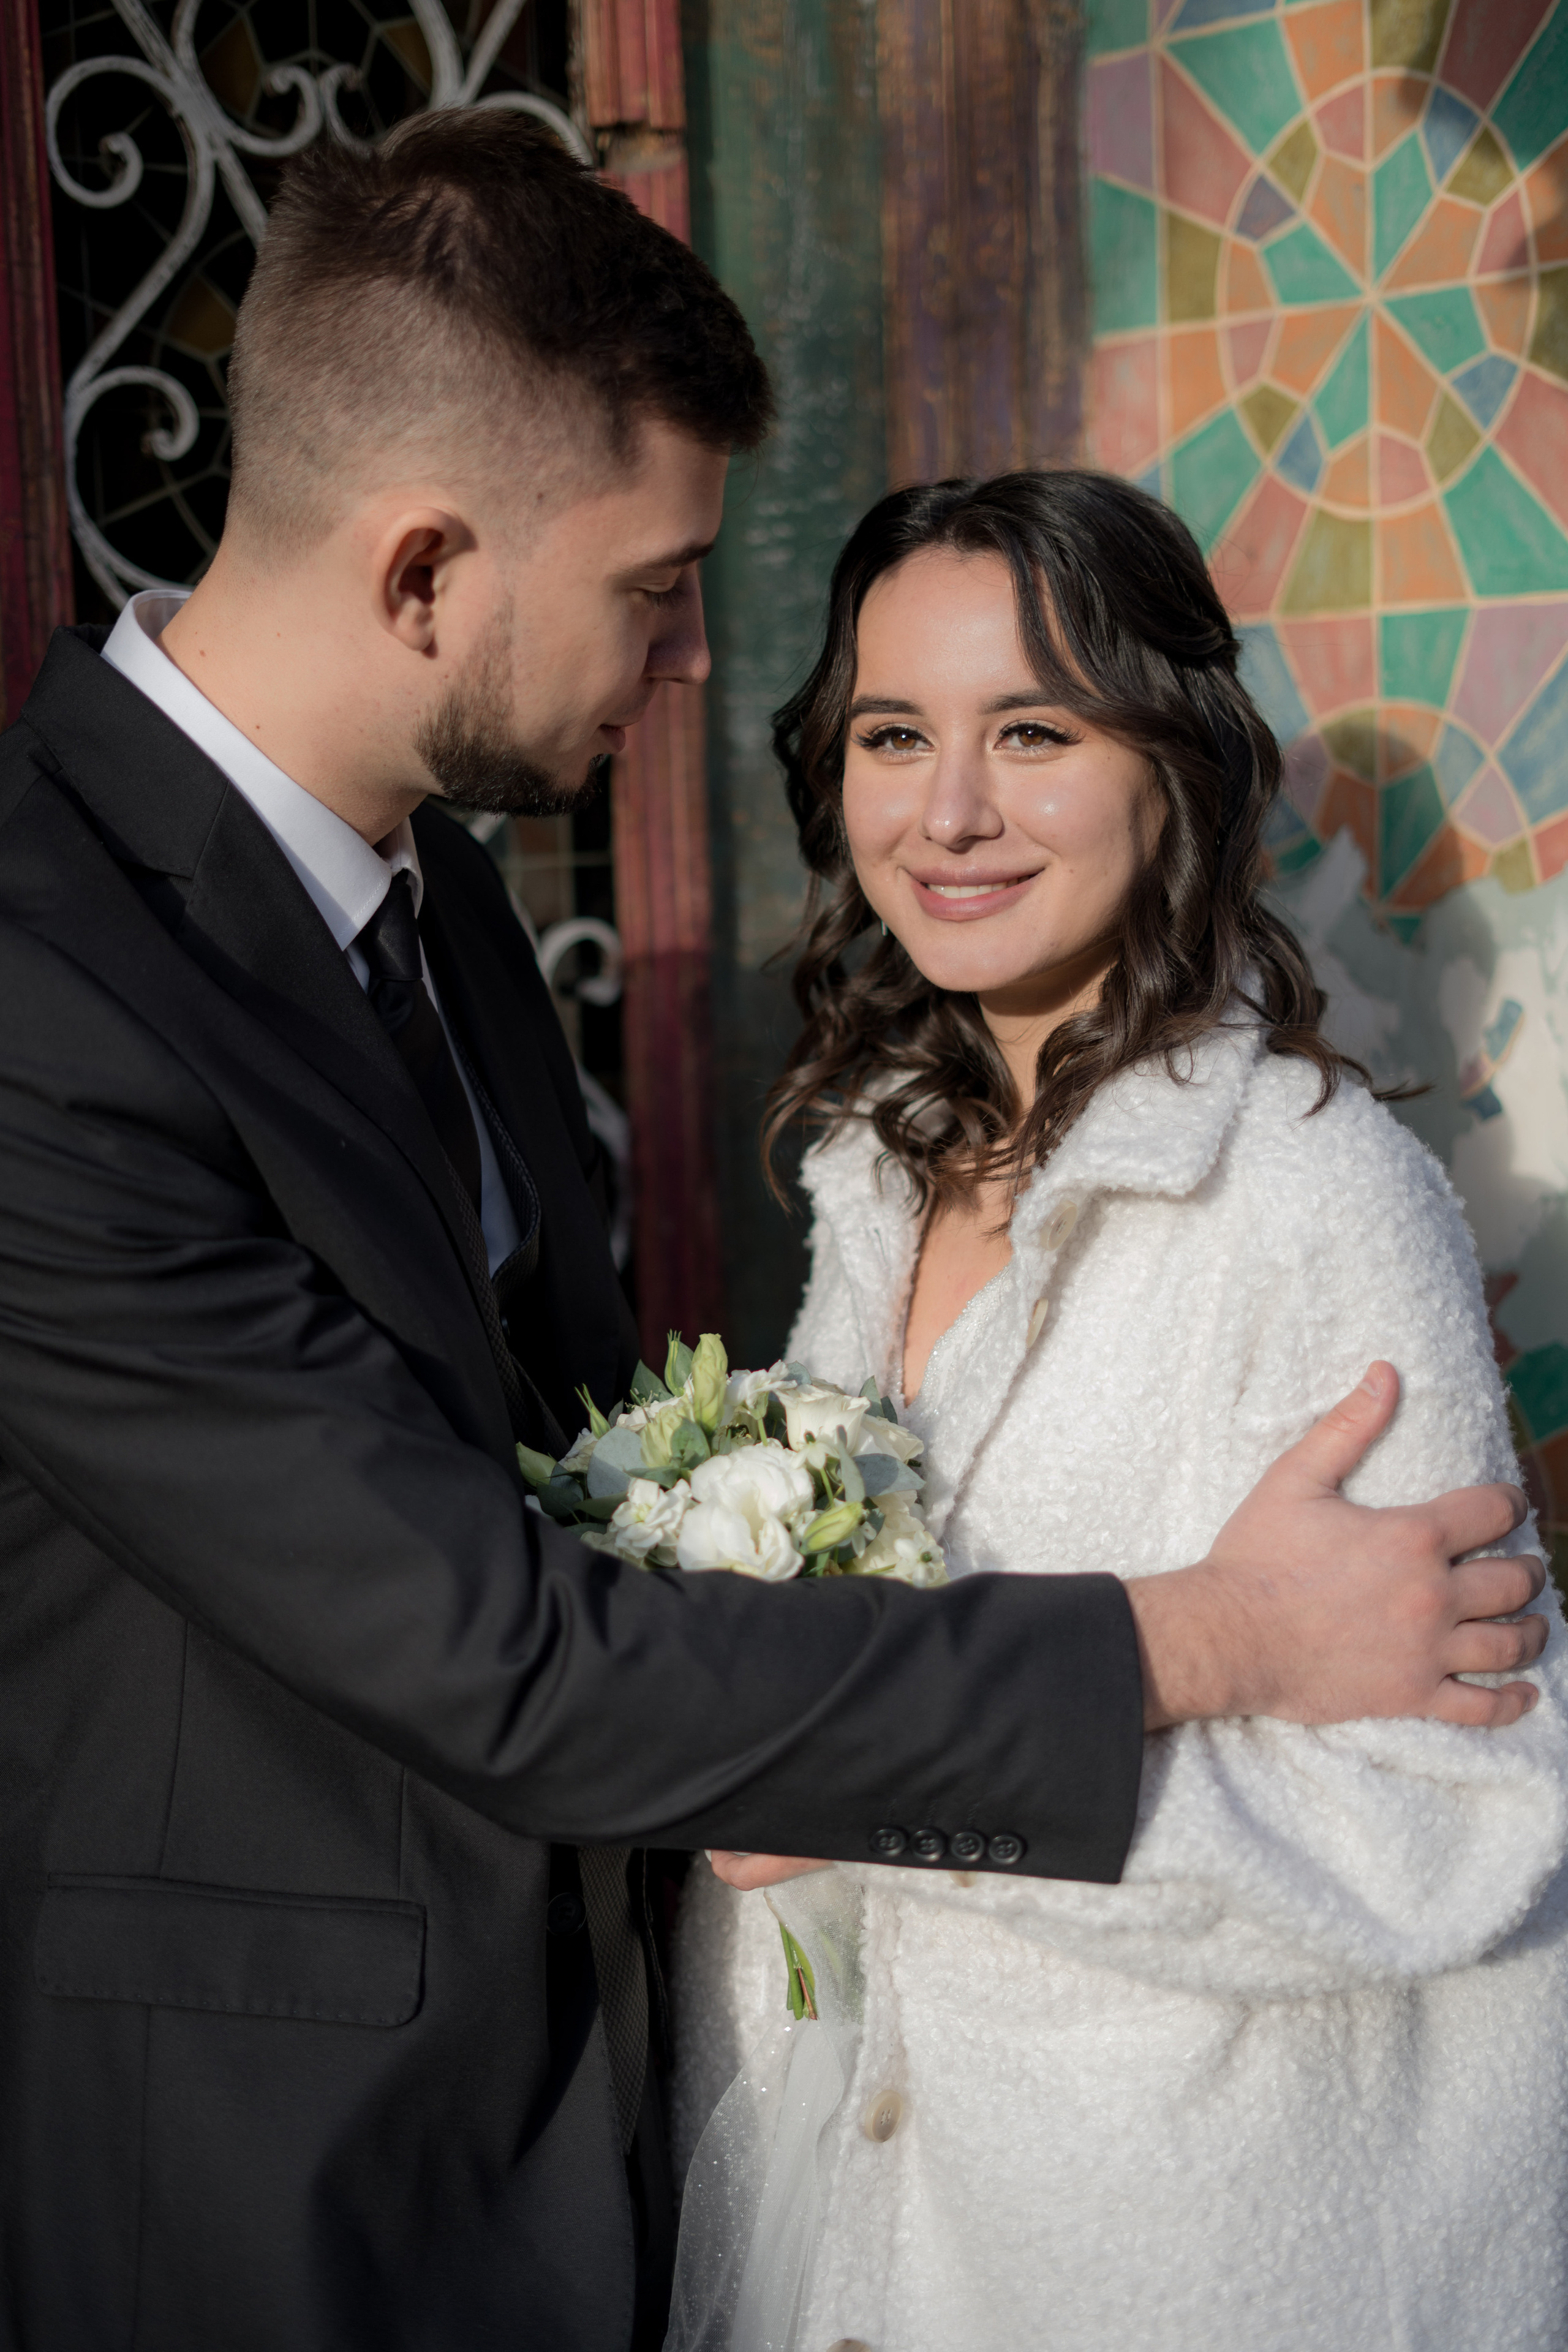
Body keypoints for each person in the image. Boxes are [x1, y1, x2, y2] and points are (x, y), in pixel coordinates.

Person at [0, 115, 1542, 2352]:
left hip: (951, 2207)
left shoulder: (429, 891)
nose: (698, 664)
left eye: (1036, 726)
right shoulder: (48, 994)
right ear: (426, 570)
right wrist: (1199, 1637)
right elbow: (513, 1650)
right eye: (649, 586)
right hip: (263, 2184)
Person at [670, 472, 1568, 2352]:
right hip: (854, 2220)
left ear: (1176, 764)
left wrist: (878, 1785)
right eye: (896, 734)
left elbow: (1475, 1821)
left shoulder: (1312, 1195)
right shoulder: (872, 1172)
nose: (950, 811)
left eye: (1035, 733)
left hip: (1178, 2253)